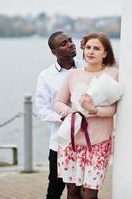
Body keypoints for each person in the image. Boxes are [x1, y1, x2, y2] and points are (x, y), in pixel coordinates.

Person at [54, 32, 118, 199]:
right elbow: (58, 102)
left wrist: (92, 109)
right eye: (88, 47)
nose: (91, 51)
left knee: (89, 194)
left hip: (98, 144)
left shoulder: (113, 75)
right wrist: (71, 111)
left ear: (105, 53)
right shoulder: (73, 74)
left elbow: (112, 110)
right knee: (73, 192)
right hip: (71, 142)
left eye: (96, 48)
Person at [35, 31, 83, 199]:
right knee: (55, 189)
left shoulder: (86, 67)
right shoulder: (46, 75)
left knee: (82, 190)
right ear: (54, 52)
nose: (70, 44)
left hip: (85, 141)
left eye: (70, 40)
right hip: (60, 142)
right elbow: (40, 110)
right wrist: (63, 117)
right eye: (63, 43)